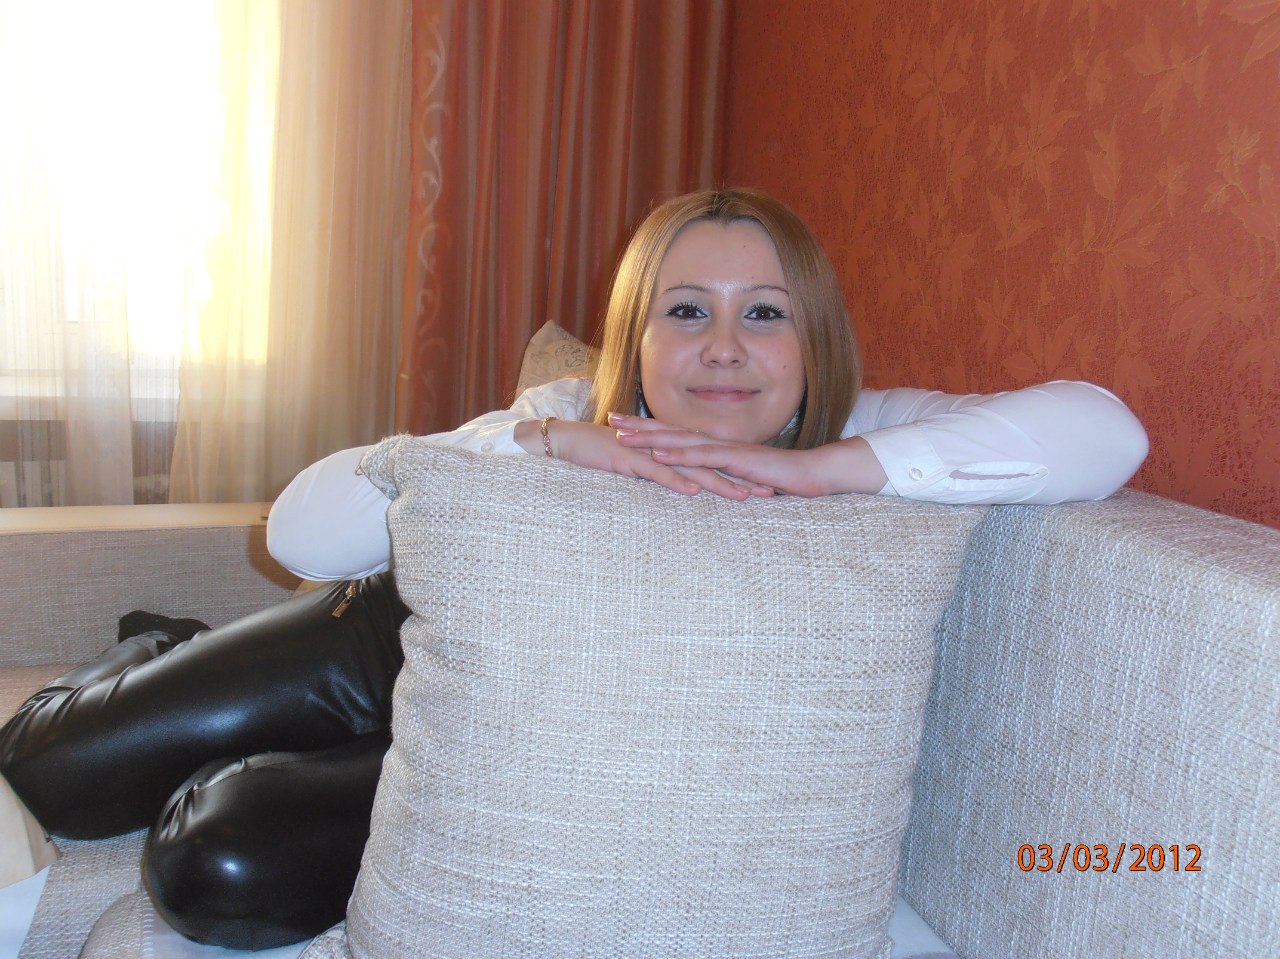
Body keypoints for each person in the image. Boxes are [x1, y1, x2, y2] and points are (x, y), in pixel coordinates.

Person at [0, 188, 1148, 950]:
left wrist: (824, 468)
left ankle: (217, 727)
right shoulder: (562, 411)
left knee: (221, 865)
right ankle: (157, 646)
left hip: (523, 728)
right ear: (636, 340)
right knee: (51, 769)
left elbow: (1104, 430)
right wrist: (545, 443)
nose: (723, 347)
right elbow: (301, 535)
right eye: (685, 310)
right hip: (378, 642)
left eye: (764, 313)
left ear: (815, 340)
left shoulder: (863, 428)